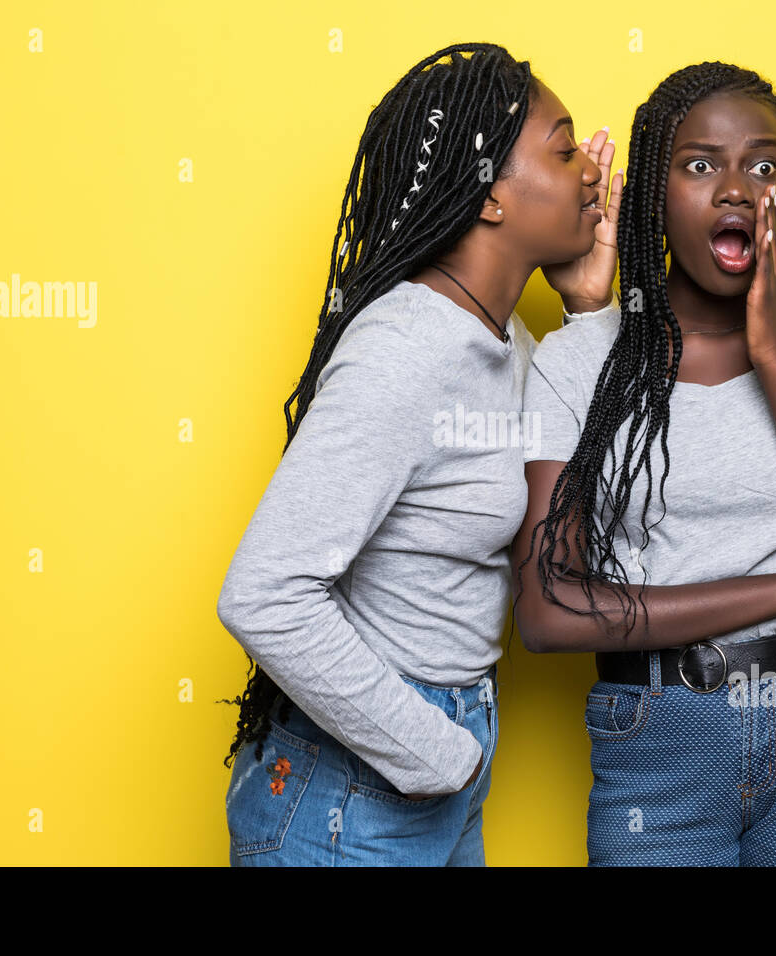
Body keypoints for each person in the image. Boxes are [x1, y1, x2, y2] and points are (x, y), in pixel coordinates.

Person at [217, 42, 623, 866]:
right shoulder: (406, 349)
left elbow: (574, 535)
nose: (592, 171)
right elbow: (264, 595)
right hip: (348, 798)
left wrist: (587, 315)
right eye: (564, 146)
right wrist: (438, 755)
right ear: (491, 199)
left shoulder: (507, 343)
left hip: (429, 773)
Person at [512, 60, 776, 865]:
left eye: (763, 164)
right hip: (658, 739)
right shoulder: (576, 363)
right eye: (700, 164)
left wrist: (772, 356)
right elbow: (547, 610)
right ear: (654, 195)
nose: (738, 187)